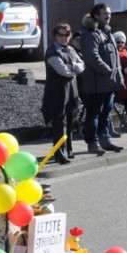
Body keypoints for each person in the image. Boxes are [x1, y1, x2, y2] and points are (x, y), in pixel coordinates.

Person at [80, 4, 125, 155]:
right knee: (94, 114)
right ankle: (93, 143)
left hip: (109, 83)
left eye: (109, 13)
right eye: (105, 13)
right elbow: (91, 57)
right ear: (96, 15)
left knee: (105, 113)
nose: (108, 16)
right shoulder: (90, 33)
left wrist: (115, 75)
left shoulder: (107, 32)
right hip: (97, 83)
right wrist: (107, 70)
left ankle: (105, 141)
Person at [42, 23, 83, 164]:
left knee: (71, 122)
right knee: (60, 124)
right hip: (57, 93)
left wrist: (72, 67)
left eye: (66, 35)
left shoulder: (71, 50)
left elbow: (82, 66)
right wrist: (74, 69)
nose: (63, 38)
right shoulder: (52, 52)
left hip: (71, 91)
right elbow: (62, 71)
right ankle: (60, 154)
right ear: (55, 36)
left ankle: (69, 150)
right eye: (60, 35)